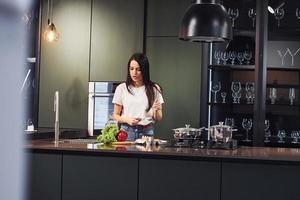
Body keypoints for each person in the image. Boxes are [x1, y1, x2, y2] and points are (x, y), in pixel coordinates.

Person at [112, 53, 164, 141]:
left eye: (138, 69)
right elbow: (115, 115)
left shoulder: (154, 88)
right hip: (126, 132)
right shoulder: (122, 88)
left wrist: (156, 111)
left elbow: (158, 117)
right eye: (131, 69)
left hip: (147, 132)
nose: (134, 73)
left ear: (144, 70)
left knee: (145, 155)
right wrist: (127, 120)